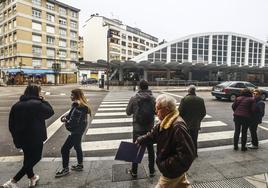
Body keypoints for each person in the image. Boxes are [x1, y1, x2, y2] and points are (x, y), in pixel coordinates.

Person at [136, 94, 195, 188]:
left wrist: (166, 165)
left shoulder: (177, 126)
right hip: (176, 170)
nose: (155, 111)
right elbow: (153, 135)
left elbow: (187, 155)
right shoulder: (165, 121)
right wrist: (140, 140)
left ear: (167, 109)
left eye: (158, 108)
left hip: (171, 172)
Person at [1, 84, 54, 188]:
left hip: (21, 137)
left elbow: (11, 124)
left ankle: (32, 177)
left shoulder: (16, 105)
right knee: (36, 158)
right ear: (36, 93)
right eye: (40, 92)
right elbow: (50, 112)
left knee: (28, 158)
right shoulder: (37, 104)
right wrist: (43, 100)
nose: (41, 93)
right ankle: (13, 181)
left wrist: (15, 136)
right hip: (35, 136)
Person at [55, 89, 92, 178]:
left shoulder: (78, 106)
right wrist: (66, 117)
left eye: (72, 95)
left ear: (76, 96)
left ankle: (65, 169)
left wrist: (65, 120)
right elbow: (72, 115)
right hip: (79, 131)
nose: (70, 96)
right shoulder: (80, 105)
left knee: (64, 149)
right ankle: (80, 165)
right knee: (77, 146)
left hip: (76, 132)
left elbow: (73, 122)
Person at [126, 80, 155, 178]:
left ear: (139, 87)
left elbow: (128, 112)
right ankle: (152, 171)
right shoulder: (153, 98)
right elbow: (156, 112)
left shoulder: (134, 98)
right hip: (150, 128)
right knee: (150, 150)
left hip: (137, 128)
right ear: (148, 87)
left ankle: (134, 172)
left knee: (136, 149)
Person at [178, 85, 206, 157]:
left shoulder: (184, 99)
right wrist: (198, 120)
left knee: (186, 140)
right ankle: (194, 153)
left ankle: (187, 154)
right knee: (194, 139)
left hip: (186, 124)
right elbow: (203, 113)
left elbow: (179, 112)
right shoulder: (200, 100)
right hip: (195, 124)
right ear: (194, 91)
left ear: (188, 91)